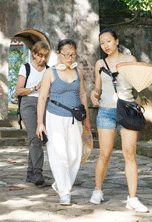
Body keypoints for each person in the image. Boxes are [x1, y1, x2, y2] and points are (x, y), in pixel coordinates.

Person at [90, 28, 149, 213]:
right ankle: (98, 191)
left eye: (108, 41)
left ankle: (132, 198)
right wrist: (94, 93)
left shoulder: (129, 60)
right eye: (102, 43)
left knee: (129, 153)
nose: (105, 45)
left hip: (127, 110)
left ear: (116, 41)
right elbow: (98, 88)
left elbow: (138, 83)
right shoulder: (100, 63)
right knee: (104, 154)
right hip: (106, 111)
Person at [36, 39, 91, 206]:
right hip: (55, 116)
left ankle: (60, 183)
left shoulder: (78, 72)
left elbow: (82, 95)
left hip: (75, 118)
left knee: (75, 155)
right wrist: (40, 123)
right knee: (59, 154)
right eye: (66, 54)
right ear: (58, 54)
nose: (69, 58)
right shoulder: (50, 73)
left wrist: (87, 120)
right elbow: (42, 97)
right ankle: (65, 192)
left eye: (72, 54)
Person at [15, 41, 50, 185]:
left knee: (39, 138)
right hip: (28, 103)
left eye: (45, 56)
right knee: (35, 137)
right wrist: (36, 88)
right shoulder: (26, 68)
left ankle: (30, 172)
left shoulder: (49, 70)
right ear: (34, 54)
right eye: (40, 55)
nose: (42, 59)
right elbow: (18, 90)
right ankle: (37, 172)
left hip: (45, 104)